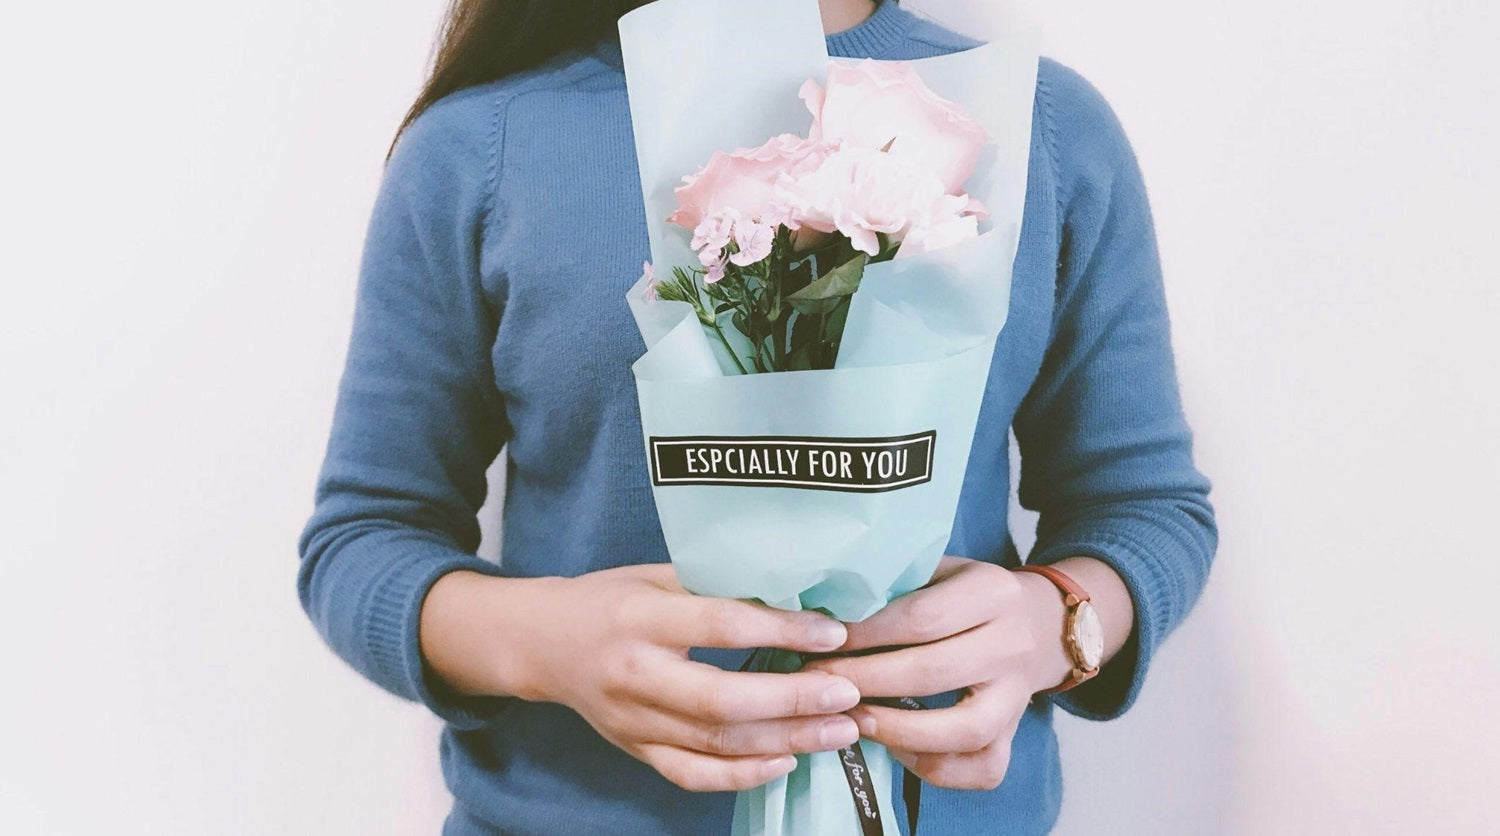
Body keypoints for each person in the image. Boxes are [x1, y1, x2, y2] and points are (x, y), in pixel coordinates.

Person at [296, 0, 1218, 833]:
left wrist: (1052, 626)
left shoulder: (1041, 127)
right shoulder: (480, 148)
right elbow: (365, 537)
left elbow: (1144, 507)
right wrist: (553, 645)